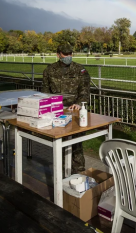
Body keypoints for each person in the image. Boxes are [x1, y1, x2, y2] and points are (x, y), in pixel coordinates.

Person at [42, 43, 91, 174]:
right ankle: (61, 174)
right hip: (56, 112)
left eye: (70, 54)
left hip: (75, 112)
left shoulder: (80, 70)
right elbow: (45, 92)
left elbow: (85, 91)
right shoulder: (49, 70)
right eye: (65, 54)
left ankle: (79, 174)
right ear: (58, 54)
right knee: (59, 145)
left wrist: (79, 103)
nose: (68, 56)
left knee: (76, 146)